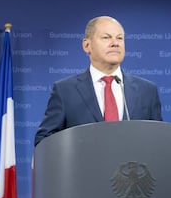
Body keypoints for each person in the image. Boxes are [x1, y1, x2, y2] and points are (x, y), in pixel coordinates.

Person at [34, 15, 162, 146]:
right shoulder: (65, 91)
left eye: (119, 38)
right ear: (87, 45)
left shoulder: (147, 91)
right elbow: (45, 140)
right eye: (106, 37)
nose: (115, 43)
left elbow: (159, 140)